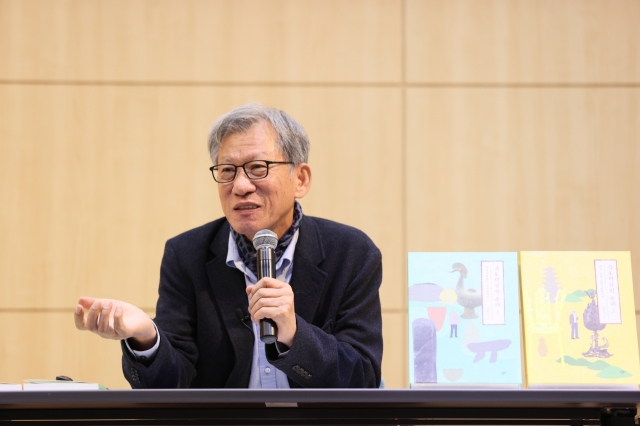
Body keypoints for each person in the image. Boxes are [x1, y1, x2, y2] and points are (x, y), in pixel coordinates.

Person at [74, 104, 383, 389]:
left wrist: (293, 334)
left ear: (300, 179)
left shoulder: (351, 253)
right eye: (227, 171)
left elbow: (363, 378)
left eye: (258, 168)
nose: (240, 186)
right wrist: (146, 336)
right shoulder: (186, 255)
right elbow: (172, 384)